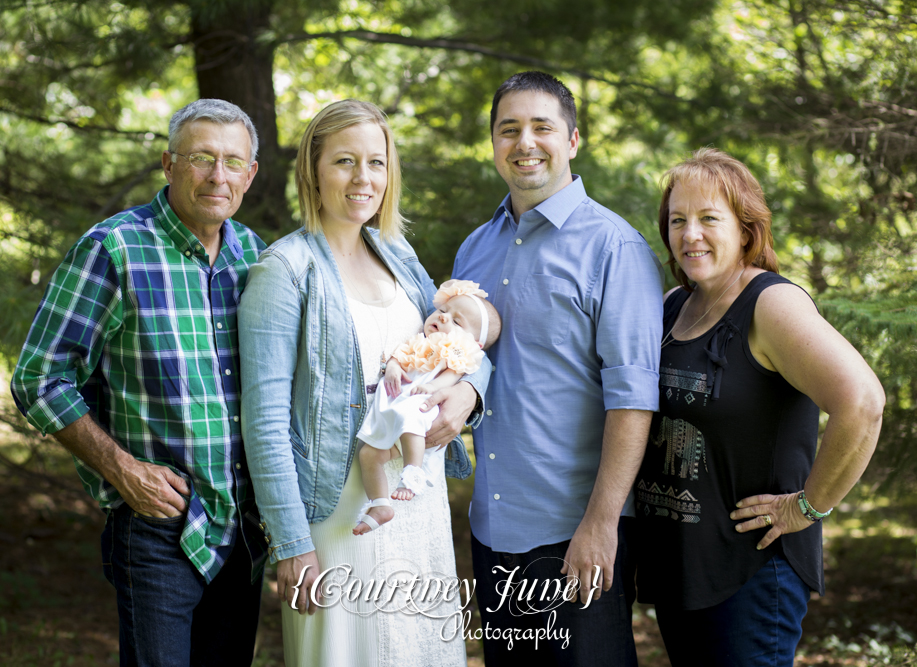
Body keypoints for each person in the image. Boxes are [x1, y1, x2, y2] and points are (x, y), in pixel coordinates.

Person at [10, 99, 267, 666]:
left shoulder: (257, 258)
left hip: (242, 530)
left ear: (250, 175)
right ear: (168, 163)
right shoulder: (114, 249)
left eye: (232, 162)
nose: (216, 176)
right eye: (201, 158)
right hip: (158, 525)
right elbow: (39, 376)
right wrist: (122, 470)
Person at [238, 99, 488, 667]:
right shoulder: (284, 271)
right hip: (336, 512)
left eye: (376, 163)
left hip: (415, 501)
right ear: (313, 171)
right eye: (345, 162)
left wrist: (468, 395)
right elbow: (265, 421)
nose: (363, 178)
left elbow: (463, 343)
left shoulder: (398, 255)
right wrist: (291, 542)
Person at [634, 147, 885, 666]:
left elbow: (862, 402)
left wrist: (807, 507)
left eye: (709, 219)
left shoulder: (771, 305)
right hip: (684, 568)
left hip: (751, 574)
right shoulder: (674, 306)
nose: (690, 234)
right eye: (678, 220)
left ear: (747, 230)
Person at [448, 70, 664, 664]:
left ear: (572, 140)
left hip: (576, 532)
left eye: (542, 127)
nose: (525, 143)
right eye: (508, 129)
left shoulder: (614, 248)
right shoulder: (476, 249)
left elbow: (633, 400)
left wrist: (601, 526)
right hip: (493, 529)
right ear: (493, 143)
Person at [354, 280, 501, 535]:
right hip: (397, 410)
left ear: (474, 343)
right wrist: (392, 367)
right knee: (368, 455)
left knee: (411, 414)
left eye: (457, 322)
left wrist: (434, 387)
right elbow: (398, 356)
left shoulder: (459, 352)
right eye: (444, 310)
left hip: (423, 407)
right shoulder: (420, 341)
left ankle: (413, 472)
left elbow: (452, 375)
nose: (444, 319)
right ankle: (379, 503)